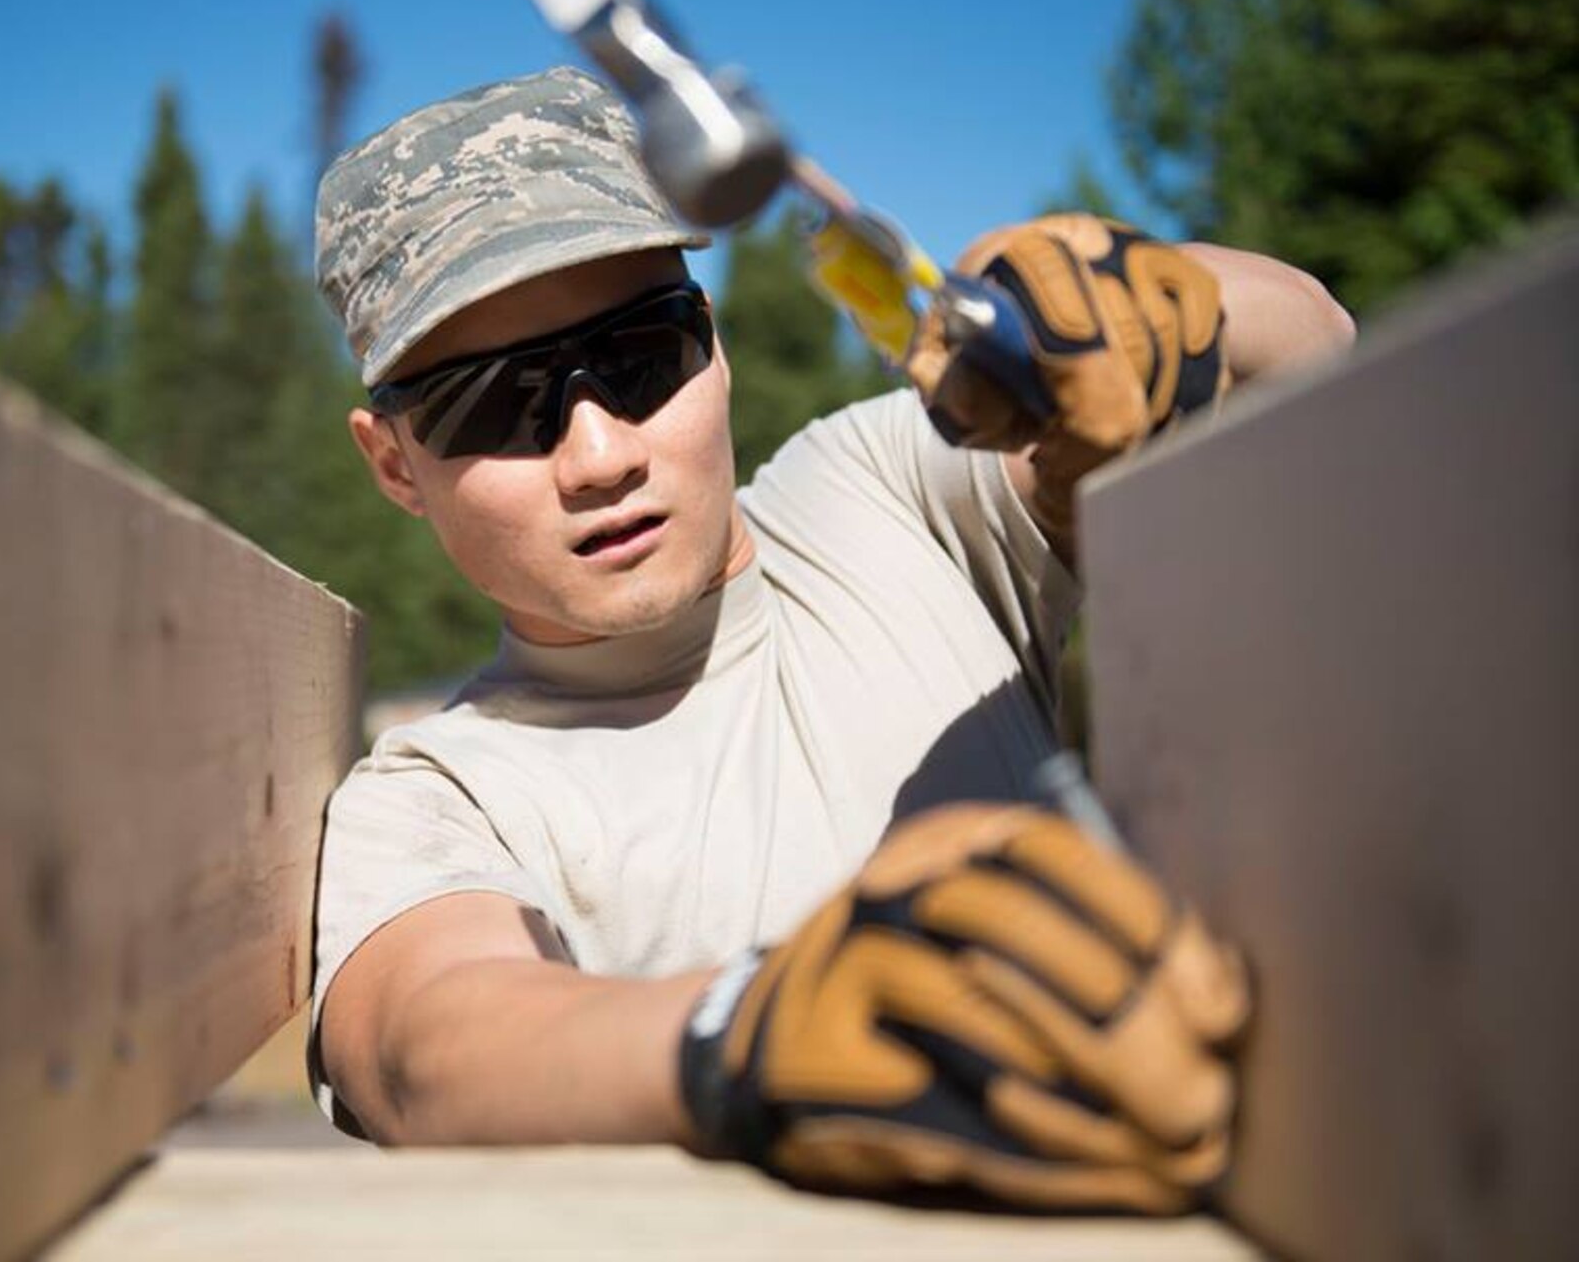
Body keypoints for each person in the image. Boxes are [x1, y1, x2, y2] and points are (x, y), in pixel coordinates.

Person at [307, 66, 1354, 1211]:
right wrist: (756, 1029)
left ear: (711, 346)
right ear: (396, 463)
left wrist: (1120, 297)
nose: (599, 456)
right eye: (491, 405)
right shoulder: (438, 792)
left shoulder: (891, 496)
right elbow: (424, 1049)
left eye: (639, 359)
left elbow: (1307, 347)